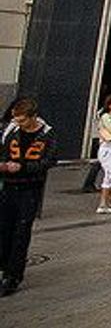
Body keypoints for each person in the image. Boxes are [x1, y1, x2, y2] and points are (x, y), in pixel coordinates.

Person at [0, 98, 56, 296]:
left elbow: (49, 161)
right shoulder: (12, 131)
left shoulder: (46, 135)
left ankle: (12, 276)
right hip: (8, 187)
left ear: (33, 117)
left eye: (23, 120)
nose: (19, 124)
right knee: (4, 229)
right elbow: (3, 151)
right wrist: (4, 165)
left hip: (29, 189)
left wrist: (23, 167)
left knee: (21, 232)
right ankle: (3, 267)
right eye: (16, 119)